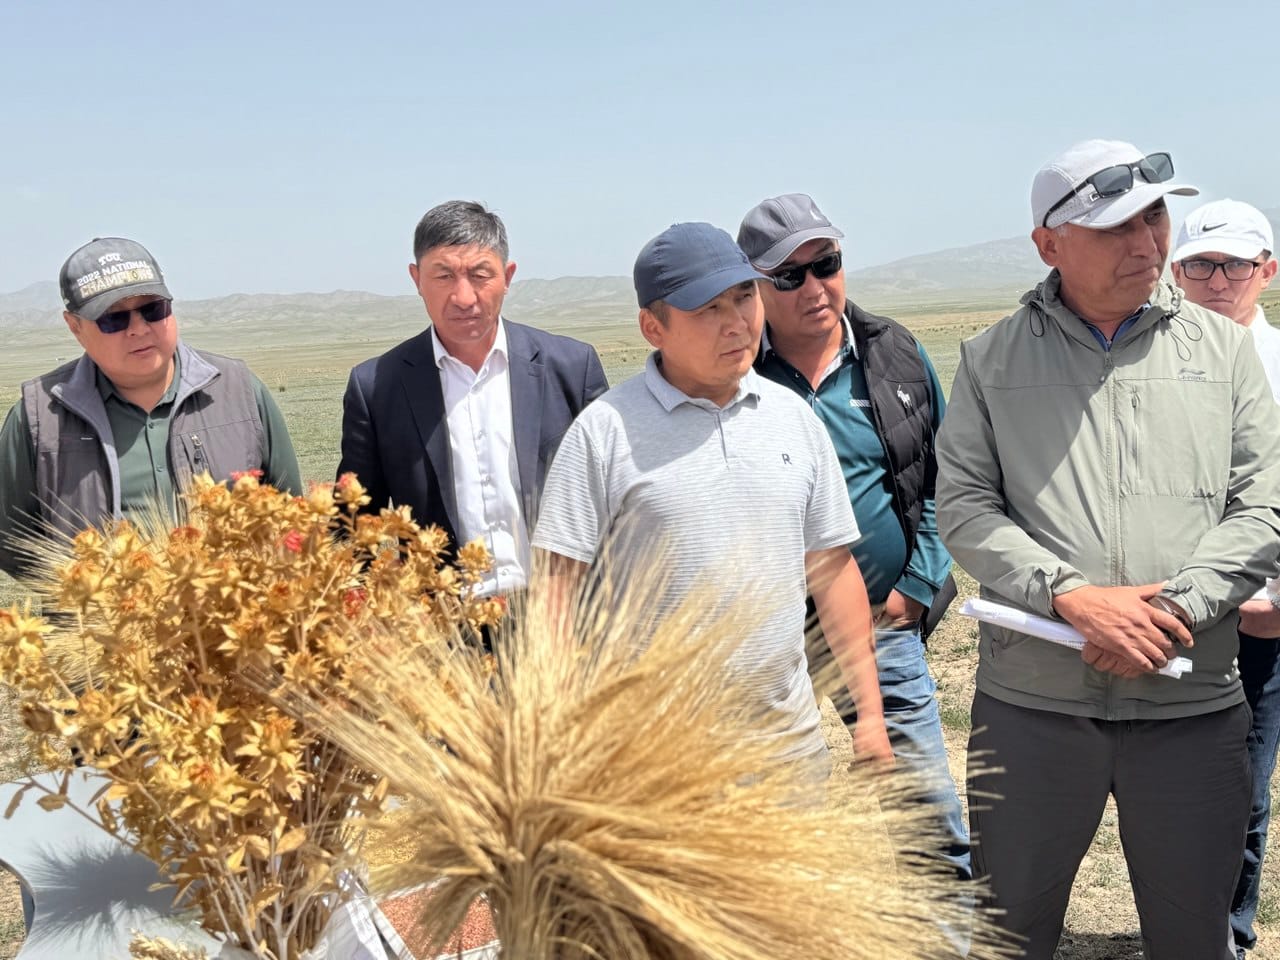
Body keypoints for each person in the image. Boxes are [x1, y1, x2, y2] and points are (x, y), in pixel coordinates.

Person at [935, 139, 1280, 959]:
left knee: (1195, 933)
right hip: (1034, 706)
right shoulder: (990, 359)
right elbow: (966, 507)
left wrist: (1174, 610)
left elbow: (1263, 504)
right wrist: (1072, 597)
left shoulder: (1225, 352)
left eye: (1154, 216)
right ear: (1048, 245)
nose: (1147, 241)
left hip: (1192, 701)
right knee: (1011, 931)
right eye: (1116, 226)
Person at [531, 221, 892, 773]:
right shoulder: (603, 433)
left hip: (790, 753)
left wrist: (870, 717)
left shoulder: (794, 418)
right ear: (653, 327)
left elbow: (832, 568)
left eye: (744, 296)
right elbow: (557, 588)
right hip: (656, 767)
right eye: (709, 309)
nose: (737, 323)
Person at [737, 194, 970, 880]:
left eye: (827, 264)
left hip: (881, 624)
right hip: (768, 639)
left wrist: (917, 586)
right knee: (766, 825)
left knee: (927, 820)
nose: (814, 287)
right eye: (790, 275)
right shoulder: (731, 372)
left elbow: (946, 476)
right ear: (755, 286)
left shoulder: (894, 355)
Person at [336, 201, 608, 599]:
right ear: (416, 278)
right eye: (444, 275)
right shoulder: (377, 387)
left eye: (480, 275)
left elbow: (612, 501)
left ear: (507, 276)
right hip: (444, 623)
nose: (464, 297)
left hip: (562, 617)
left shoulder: (571, 368)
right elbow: (354, 529)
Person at [0, 237, 302, 577]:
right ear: (75, 326)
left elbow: (290, 512)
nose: (139, 329)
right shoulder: (38, 418)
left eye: (153, 309)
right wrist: (85, 592)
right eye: (113, 318)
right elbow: (13, 543)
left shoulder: (240, 391)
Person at [1171, 199, 1280, 960]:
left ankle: (1227, 936)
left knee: (1244, 787)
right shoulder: (1150, 362)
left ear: (1266, 271)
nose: (1217, 281)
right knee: (1168, 791)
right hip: (1172, 614)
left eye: (1234, 264)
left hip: (1259, 620)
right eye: (1201, 265)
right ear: (1176, 273)